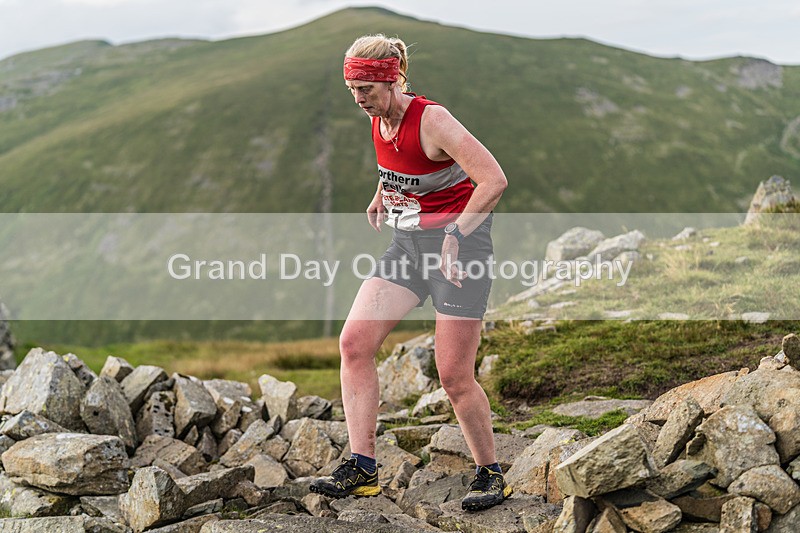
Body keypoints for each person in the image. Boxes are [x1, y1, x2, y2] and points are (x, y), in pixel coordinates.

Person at [309, 34, 510, 512]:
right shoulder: (378, 119)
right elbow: (397, 166)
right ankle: (363, 468)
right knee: (354, 344)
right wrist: (384, 193)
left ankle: (490, 474)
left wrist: (456, 236)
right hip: (408, 245)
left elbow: (494, 179)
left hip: (460, 249)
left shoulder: (432, 119)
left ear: (393, 78)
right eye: (352, 89)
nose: (359, 99)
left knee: (454, 374)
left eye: (367, 89)